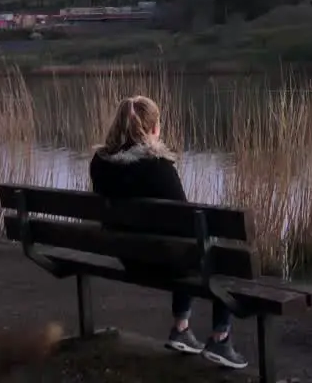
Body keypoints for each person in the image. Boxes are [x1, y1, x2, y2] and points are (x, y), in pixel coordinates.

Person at [89, 95, 248, 370]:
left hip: (128, 256)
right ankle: (220, 337)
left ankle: (182, 329)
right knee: (217, 252)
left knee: (182, 246)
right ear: (153, 129)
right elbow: (185, 221)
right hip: (160, 261)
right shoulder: (159, 168)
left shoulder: (100, 164)